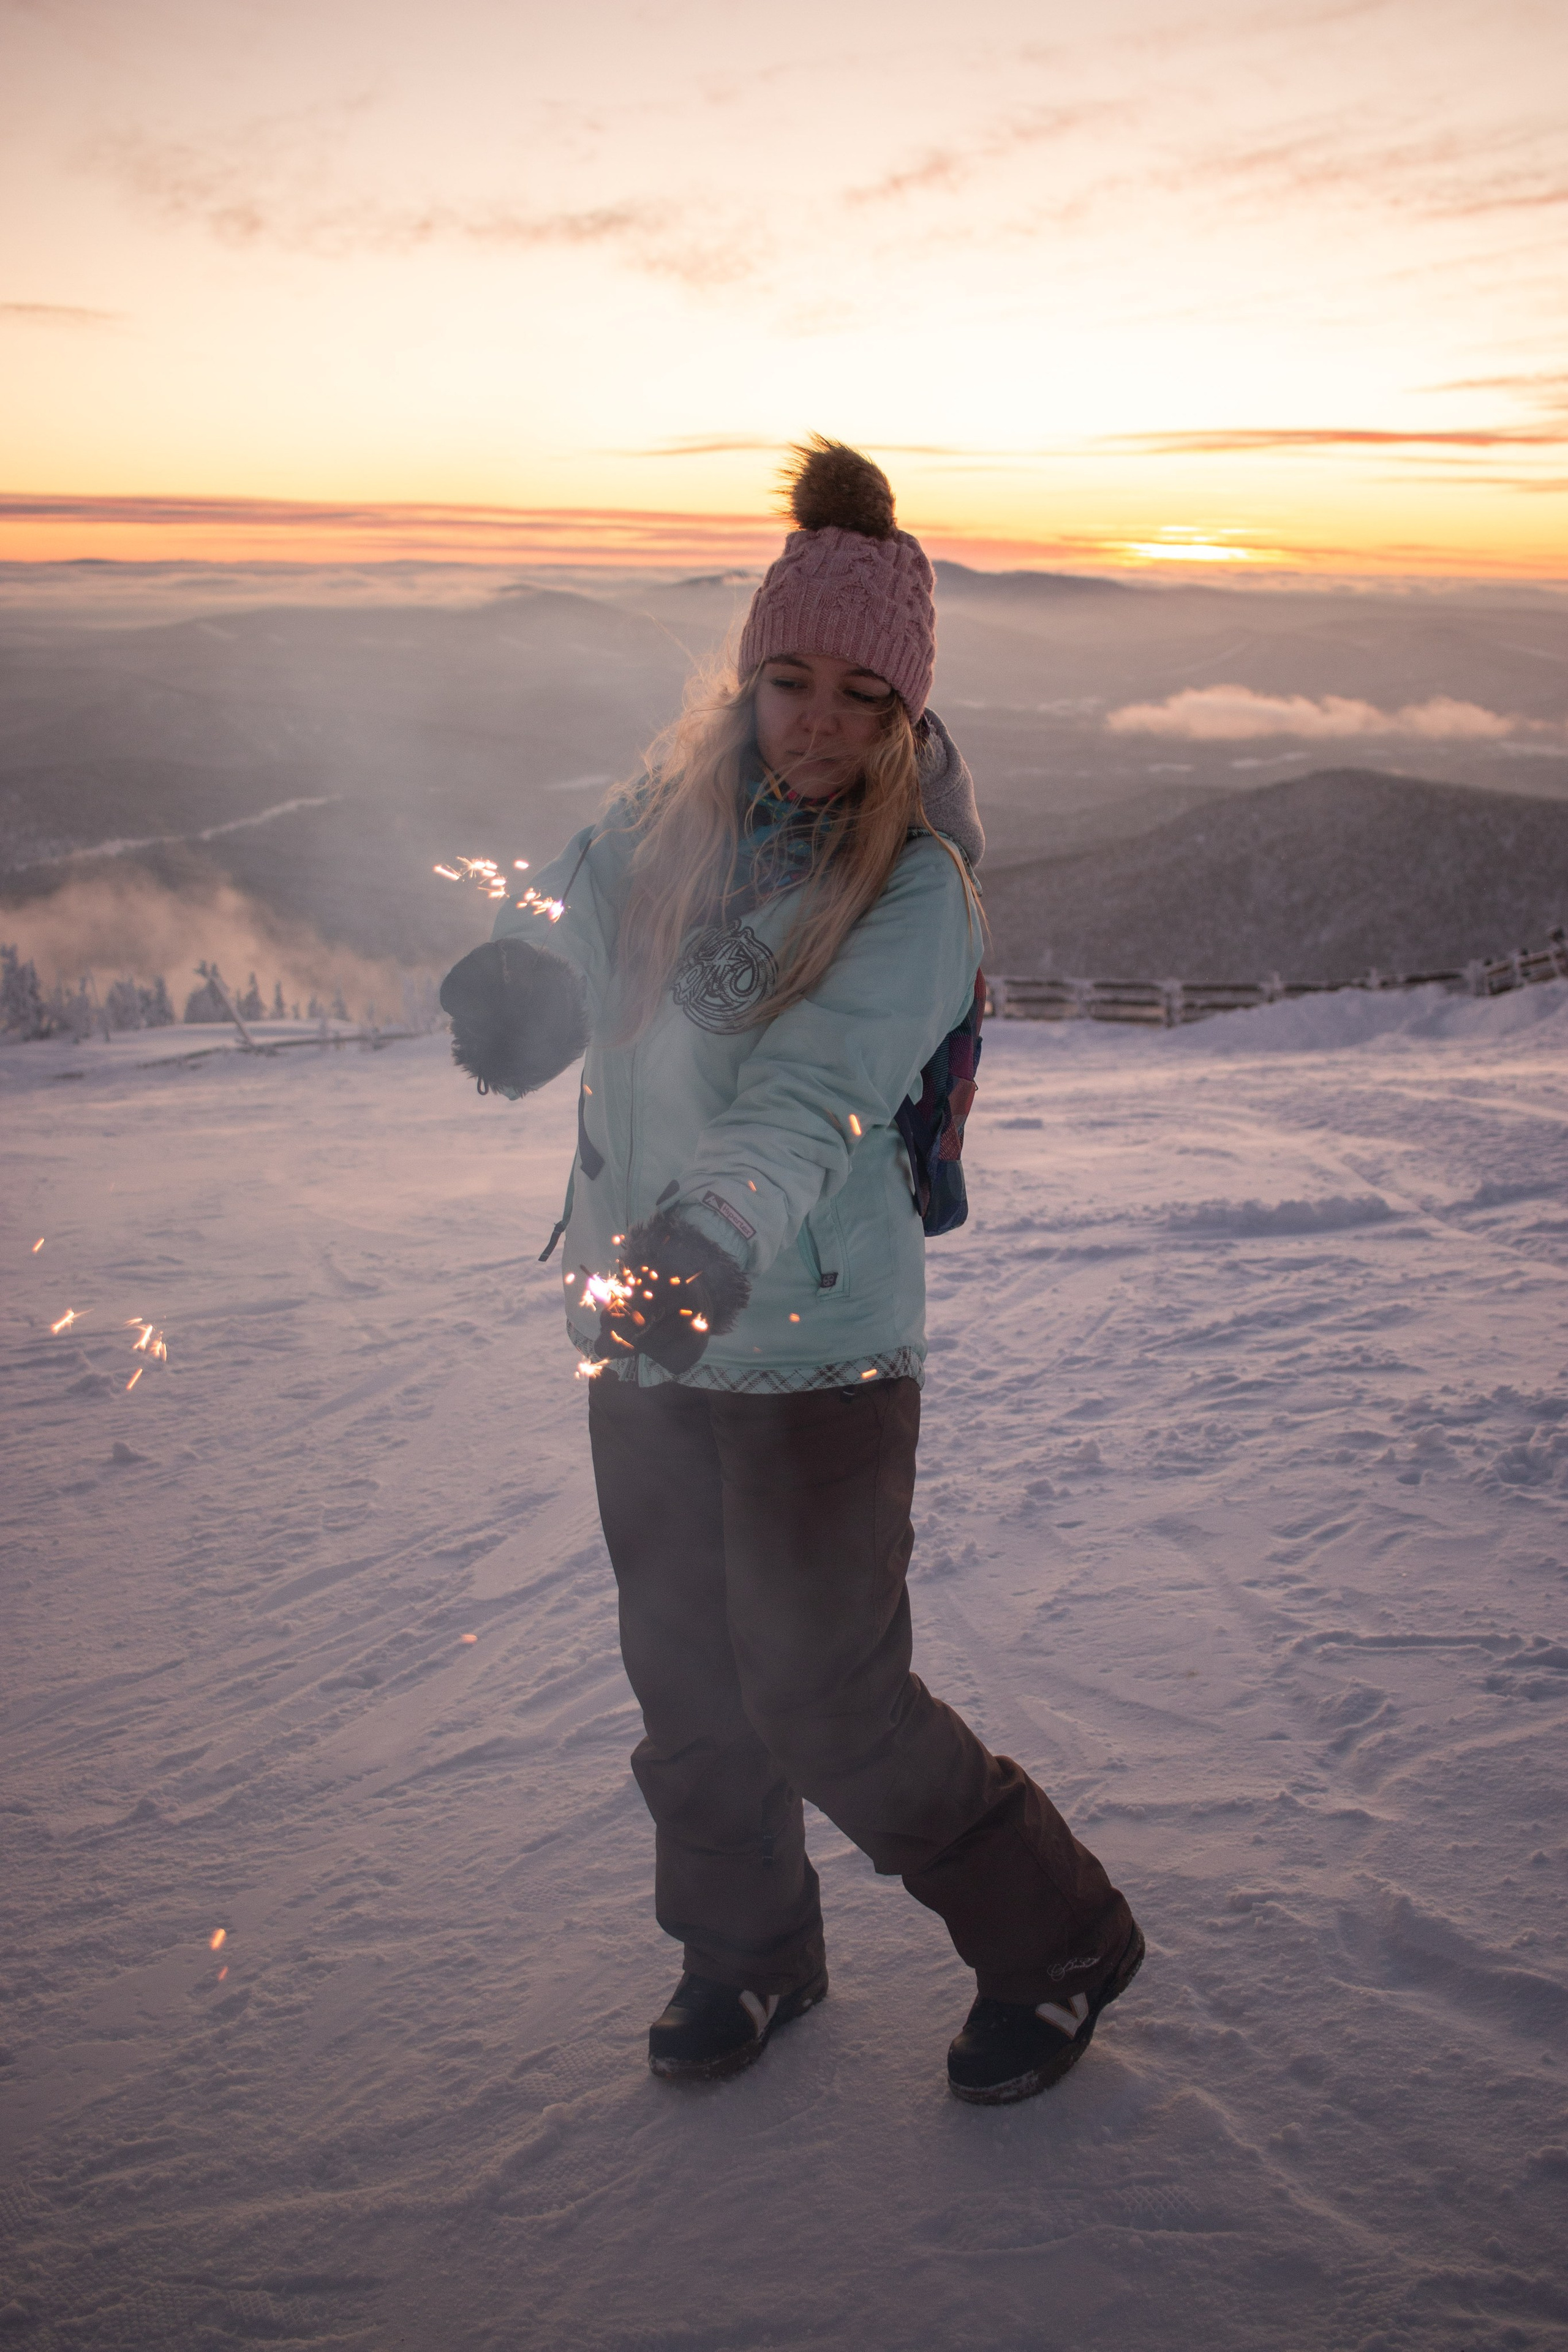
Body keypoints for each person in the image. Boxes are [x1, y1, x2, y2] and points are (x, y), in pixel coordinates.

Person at [440, 439, 1142, 2105]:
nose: (818, 720)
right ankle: (749, 1959)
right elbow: (598, 962)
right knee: (687, 1684)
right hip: (644, 1329)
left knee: (825, 1697)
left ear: (909, 721)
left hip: (815, 1348)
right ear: (749, 675)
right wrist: (538, 1000)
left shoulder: (913, 890)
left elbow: (812, 1091)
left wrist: (713, 1237)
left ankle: (1062, 1943)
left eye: (860, 696)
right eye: (790, 679)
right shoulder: (656, 829)